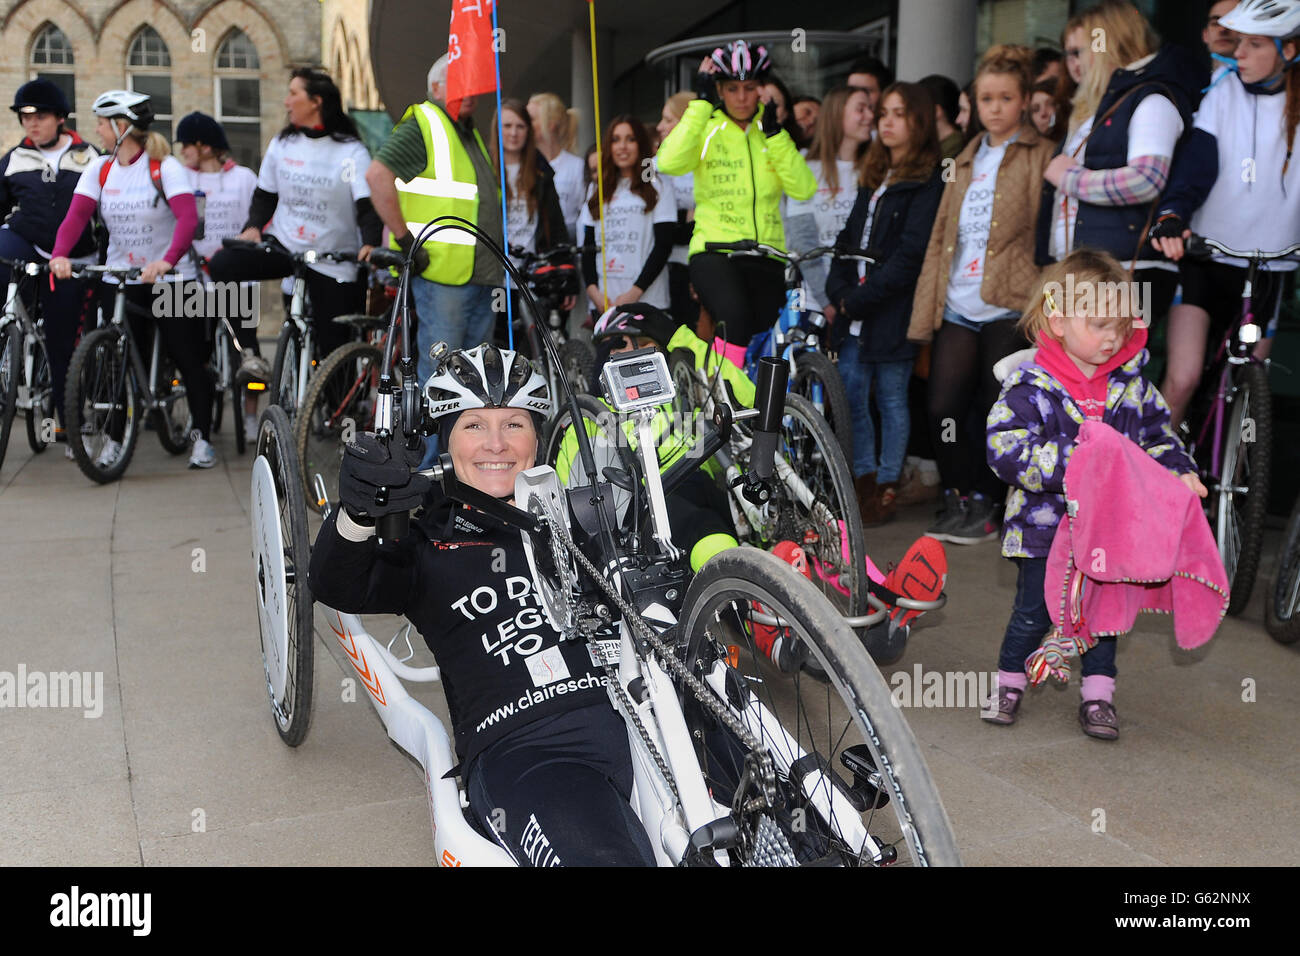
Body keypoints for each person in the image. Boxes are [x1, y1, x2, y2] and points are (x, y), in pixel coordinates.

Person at [308, 343, 656, 867]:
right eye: (474, 426)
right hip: (534, 745)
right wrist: (358, 513)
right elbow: (338, 586)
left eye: (514, 424)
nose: (496, 443)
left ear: (538, 437)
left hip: (656, 709)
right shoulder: (425, 538)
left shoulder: (587, 512)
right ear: (446, 441)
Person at [982, 249, 1205, 739]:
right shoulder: (1030, 382)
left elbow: (1158, 438)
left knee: (1104, 616)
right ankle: (1009, 681)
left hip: (1111, 529)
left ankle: (1098, 694)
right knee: (1033, 611)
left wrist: (1180, 471)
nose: (1112, 338)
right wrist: (1079, 462)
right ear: (1057, 321)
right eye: (1101, 324)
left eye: (1121, 327)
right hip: (1043, 528)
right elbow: (1003, 448)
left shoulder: (1132, 386)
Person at [912, 45, 1055, 546]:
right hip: (957, 299)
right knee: (943, 407)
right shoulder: (966, 155)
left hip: (1011, 299)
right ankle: (960, 496)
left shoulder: (1044, 154)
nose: (995, 107)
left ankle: (994, 502)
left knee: (999, 407)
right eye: (986, 98)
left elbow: (1051, 234)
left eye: (1005, 98)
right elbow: (941, 235)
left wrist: (1050, 302)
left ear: (1023, 101)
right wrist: (927, 304)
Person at [1151, 0, 1300, 426]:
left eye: (1254, 45)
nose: (1239, 54)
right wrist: (1173, 214)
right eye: (1239, 43)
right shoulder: (1222, 89)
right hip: (1206, 257)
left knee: (1247, 390)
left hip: (1270, 265)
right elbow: (1197, 164)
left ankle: (1229, 487)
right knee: (1182, 380)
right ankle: (1151, 481)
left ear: (1288, 51)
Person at [49, 90, 214, 468]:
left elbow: (188, 219)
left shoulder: (163, 167)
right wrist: (60, 254)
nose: (97, 131)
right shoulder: (100, 169)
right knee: (114, 361)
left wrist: (166, 261)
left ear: (122, 128)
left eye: (102, 124)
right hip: (121, 277)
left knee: (187, 358)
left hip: (172, 281)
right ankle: (114, 438)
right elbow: (76, 217)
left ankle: (202, 438)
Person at [1036, 0, 1205, 335]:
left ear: (1109, 44)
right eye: (1067, 53)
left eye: (1079, 51)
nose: (1073, 63)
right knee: (1065, 372)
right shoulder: (1092, 108)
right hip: (1077, 266)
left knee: (1113, 377)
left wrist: (1069, 178)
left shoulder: (1151, 100)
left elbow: (1146, 179)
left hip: (1127, 268)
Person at [209, 68, 380, 384]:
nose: (286, 102)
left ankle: (336, 412)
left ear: (316, 101)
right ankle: (249, 353)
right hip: (286, 245)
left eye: (293, 94)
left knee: (334, 361)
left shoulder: (350, 151)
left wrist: (369, 242)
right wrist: (253, 227)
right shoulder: (282, 143)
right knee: (222, 265)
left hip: (333, 259)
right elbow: (265, 195)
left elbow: (367, 206)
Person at [825, 82, 943, 528]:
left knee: (892, 398)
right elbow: (845, 240)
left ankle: (887, 487)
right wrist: (840, 292)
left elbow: (909, 259)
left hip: (890, 312)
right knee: (853, 395)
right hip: (856, 312)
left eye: (899, 114)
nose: (887, 121)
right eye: (884, 113)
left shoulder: (927, 181)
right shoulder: (874, 174)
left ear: (919, 123)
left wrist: (855, 301)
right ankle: (863, 482)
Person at [656, 39, 816, 360]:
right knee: (736, 321)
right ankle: (724, 399)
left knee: (760, 337)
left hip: (767, 253)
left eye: (750, 87)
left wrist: (774, 135)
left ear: (762, 87)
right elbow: (668, 162)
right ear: (719, 89)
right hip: (715, 252)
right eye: (732, 88)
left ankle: (736, 392)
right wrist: (700, 106)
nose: (742, 98)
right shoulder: (707, 127)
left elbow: (803, 188)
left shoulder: (770, 133)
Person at [362, 55, 502, 396]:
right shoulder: (426, 123)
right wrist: (406, 240)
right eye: (458, 82)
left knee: (475, 381)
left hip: (478, 277)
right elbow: (377, 176)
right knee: (442, 380)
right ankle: (426, 452)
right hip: (443, 279)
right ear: (436, 87)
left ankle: (459, 451)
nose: (469, 90)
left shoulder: (465, 130)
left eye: (472, 82)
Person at [0, 79, 98, 459]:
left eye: (40, 117)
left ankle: (67, 423)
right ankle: (9, 331)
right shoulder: (14, 160)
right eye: (25, 118)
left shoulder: (89, 157)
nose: (32, 125)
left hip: (71, 259)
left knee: (62, 345)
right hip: (27, 244)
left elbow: (107, 213)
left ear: (60, 118)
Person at [174, 111, 261, 440]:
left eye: (187, 144)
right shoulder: (182, 177)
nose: (182, 151)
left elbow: (258, 222)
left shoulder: (244, 178)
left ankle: (250, 416)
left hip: (237, 277)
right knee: (198, 352)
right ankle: (202, 412)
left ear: (205, 147)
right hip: (196, 278)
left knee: (248, 353)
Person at [782, 85, 872, 317]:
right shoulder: (806, 167)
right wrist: (826, 301)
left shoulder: (877, 171)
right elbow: (803, 241)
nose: (869, 116)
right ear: (837, 114)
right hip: (814, 302)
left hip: (864, 298)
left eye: (870, 109)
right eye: (860, 109)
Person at [489, 98, 572, 341]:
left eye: (520, 126)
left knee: (539, 347)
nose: (513, 133)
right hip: (495, 279)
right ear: (497, 130)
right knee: (499, 343)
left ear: (528, 130)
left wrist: (565, 275)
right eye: (507, 126)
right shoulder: (483, 166)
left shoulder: (541, 171)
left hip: (533, 277)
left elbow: (555, 225)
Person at [579, 115, 675, 315]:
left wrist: (634, 293)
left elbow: (664, 245)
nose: (623, 146)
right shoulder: (596, 189)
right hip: (604, 303)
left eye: (630, 139)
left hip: (648, 301)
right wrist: (594, 293)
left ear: (641, 143)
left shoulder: (659, 185)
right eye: (616, 140)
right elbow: (587, 248)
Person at [654, 92, 698, 331]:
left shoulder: (706, 158)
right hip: (666, 267)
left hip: (701, 263)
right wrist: (685, 217)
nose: (660, 127)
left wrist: (684, 220)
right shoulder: (654, 163)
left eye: (668, 120)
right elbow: (658, 226)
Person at [527, 93, 586, 242]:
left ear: (551, 124)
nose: (525, 124)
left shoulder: (577, 167)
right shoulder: (523, 166)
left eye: (531, 119)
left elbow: (585, 218)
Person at [919, 74, 964, 159]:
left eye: (918, 106)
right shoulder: (941, 146)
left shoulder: (954, 150)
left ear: (936, 111)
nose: (913, 114)